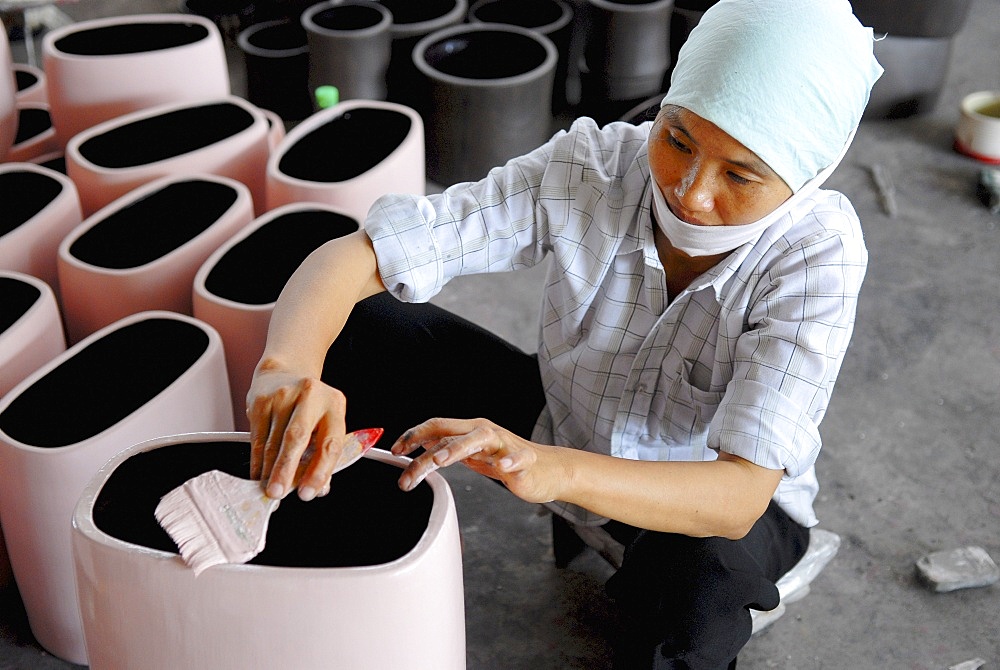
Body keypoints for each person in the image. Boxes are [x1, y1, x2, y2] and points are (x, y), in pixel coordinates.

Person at [246, 0, 883, 667]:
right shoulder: (597, 166)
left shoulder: (818, 257)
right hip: (567, 422)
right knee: (366, 321)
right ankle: (339, 534)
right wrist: (286, 367)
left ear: (810, 178)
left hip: (708, 506)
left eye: (741, 175)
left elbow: (738, 496)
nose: (691, 194)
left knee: (702, 597)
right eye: (678, 140)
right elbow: (360, 254)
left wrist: (548, 469)